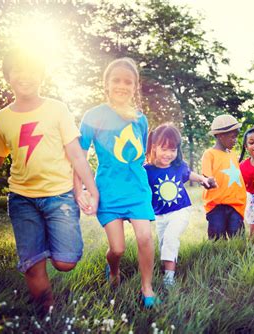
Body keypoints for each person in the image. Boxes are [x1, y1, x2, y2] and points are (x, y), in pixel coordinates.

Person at [0, 48, 99, 313]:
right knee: (32, 265)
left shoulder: (56, 109)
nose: (25, 76)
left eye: (31, 70)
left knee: (65, 262)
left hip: (59, 197)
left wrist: (90, 190)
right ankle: (47, 315)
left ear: (41, 75)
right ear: (7, 76)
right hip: (21, 200)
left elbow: (76, 154)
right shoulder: (1, 119)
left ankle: (50, 241)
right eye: (17, 70)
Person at [76, 57, 158, 307]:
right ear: (106, 84)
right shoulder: (93, 116)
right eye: (116, 80)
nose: (122, 86)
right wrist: (80, 189)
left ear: (134, 87)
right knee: (118, 249)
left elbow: (141, 154)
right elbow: (79, 154)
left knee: (145, 237)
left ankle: (147, 287)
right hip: (108, 191)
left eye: (128, 82)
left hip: (137, 190)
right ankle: (113, 271)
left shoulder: (140, 119)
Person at [145, 123, 215, 287]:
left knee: (170, 238)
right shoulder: (147, 170)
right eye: (164, 149)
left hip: (180, 210)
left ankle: (169, 279)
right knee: (163, 243)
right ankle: (165, 268)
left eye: (173, 149)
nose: (169, 154)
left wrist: (204, 179)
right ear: (154, 147)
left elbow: (190, 174)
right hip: (160, 214)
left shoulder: (178, 166)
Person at [201, 114, 247, 240]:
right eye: (233, 137)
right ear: (221, 136)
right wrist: (207, 181)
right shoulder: (209, 154)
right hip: (217, 206)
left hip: (235, 205)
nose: (235, 140)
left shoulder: (233, 155)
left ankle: (241, 259)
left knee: (238, 239)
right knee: (217, 238)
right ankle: (218, 260)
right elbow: (206, 175)